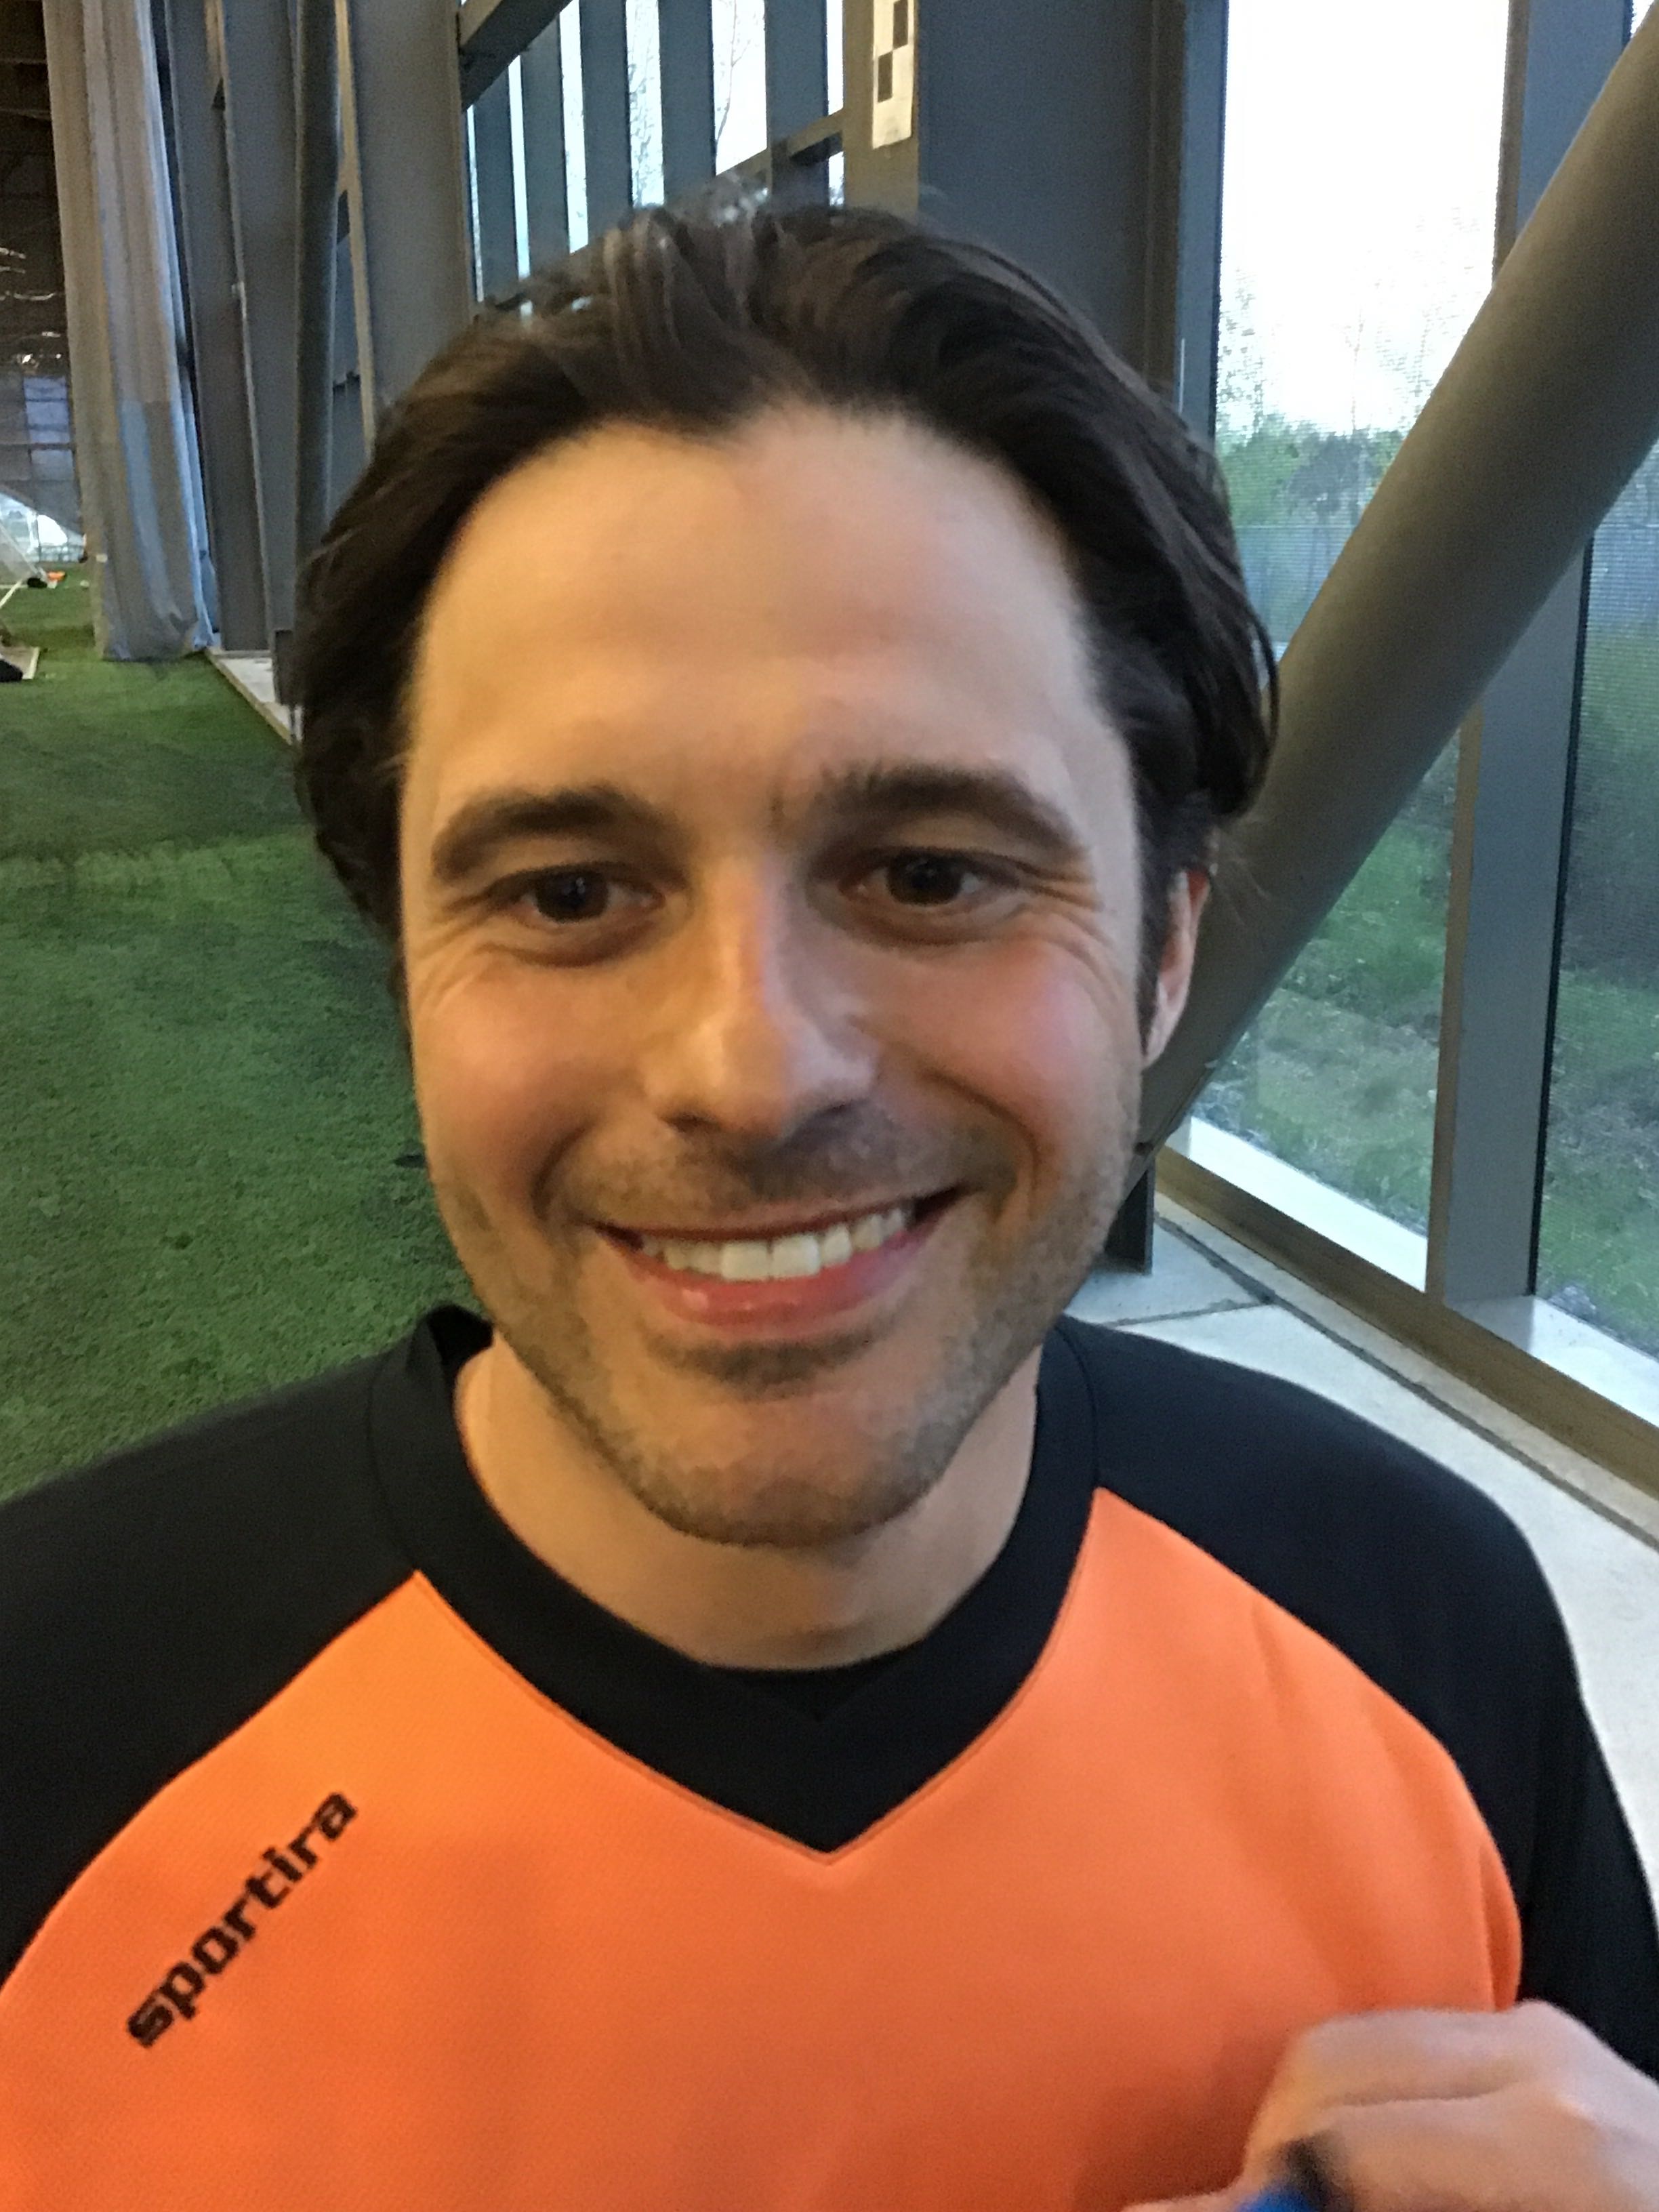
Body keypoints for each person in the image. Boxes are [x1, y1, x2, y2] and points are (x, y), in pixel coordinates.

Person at [0, 201, 1655, 2206]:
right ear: (410, 973)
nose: (754, 1069)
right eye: (570, 893)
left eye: (930, 873)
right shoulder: (52, 1718)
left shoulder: (1416, 1617)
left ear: (1163, 955)